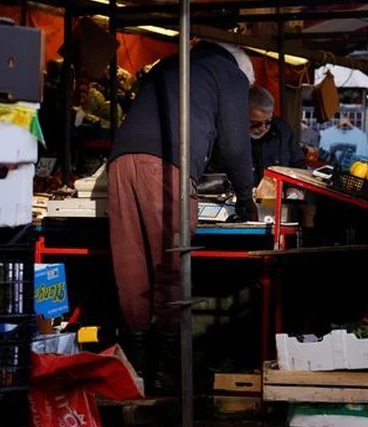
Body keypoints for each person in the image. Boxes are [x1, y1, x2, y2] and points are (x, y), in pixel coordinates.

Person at [107, 40, 258, 392]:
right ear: (244, 72)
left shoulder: (172, 63)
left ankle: (136, 366)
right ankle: (168, 373)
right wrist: (246, 196)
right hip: (164, 166)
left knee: (131, 266)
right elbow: (235, 145)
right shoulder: (231, 75)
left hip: (121, 160)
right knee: (173, 265)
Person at [246, 85, 307, 183]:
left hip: (279, 195)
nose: (262, 128)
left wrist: (293, 189)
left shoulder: (283, 130)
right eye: (255, 123)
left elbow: (298, 165)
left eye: (268, 122)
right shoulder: (228, 137)